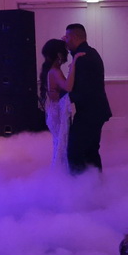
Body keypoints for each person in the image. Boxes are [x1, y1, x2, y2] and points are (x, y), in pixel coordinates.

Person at [62, 23, 112, 174]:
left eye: (67, 37)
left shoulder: (83, 57)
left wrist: (64, 99)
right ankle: (95, 182)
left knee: (75, 152)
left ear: (74, 37)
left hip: (89, 112)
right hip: (95, 111)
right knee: (91, 151)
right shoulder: (88, 53)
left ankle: (79, 184)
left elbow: (83, 88)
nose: (65, 40)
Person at [39, 39, 83, 169]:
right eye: (65, 51)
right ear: (59, 55)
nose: (67, 53)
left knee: (60, 145)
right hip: (57, 115)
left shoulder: (52, 70)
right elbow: (68, 87)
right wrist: (73, 64)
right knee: (62, 146)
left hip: (55, 113)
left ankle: (60, 172)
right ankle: (62, 173)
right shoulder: (55, 72)